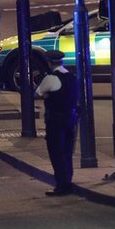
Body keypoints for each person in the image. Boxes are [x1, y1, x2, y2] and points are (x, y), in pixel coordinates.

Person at [35, 50, 78, 197]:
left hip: (55, 120)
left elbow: (37, 93)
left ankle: (62, 185)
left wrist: (47, 95)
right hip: (71, 118)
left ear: (49, 62)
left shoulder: (51, 78)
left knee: (56, 152)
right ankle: (68, 181)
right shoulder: (72, 77)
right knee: (67, 151)